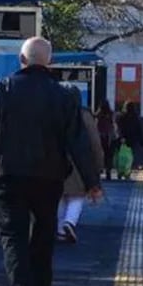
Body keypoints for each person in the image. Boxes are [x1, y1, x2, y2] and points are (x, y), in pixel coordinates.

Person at [0, 37, 101, 286]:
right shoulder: (65, 95)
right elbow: (78, 142)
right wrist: (91, 182)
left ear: (21, 60)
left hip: (9, 176)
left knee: (14, 239)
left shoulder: (3, 89)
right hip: (49, 178)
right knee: (43, 238)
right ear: (50, 62)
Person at [57, 85, 105, 244]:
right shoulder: (84, 115)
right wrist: (98, 167)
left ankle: (59, 229)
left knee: (60, 196)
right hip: (79, 163)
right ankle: (69, 223)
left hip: (55, 162)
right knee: (77, 195)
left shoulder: (53, 112)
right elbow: (95, 143)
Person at [113, 101, 143, 180]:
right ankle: (127, 172)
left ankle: (120, 171)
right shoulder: (135, 118)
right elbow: (139, 130)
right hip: (132, 141)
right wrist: (141, 141)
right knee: (130, 157)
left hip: (122, 140)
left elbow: (118, 129)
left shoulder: (121, 117)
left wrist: (120, 137)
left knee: (120, 156)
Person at [95, 100, 116, 180]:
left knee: (99, 154)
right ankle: (108, 171)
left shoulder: (98, 114)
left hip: (100, 136)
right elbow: (113, 124)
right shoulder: (111, 113)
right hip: (109, 137)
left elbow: (95, 124)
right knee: (109, 155)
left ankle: (99, 170)